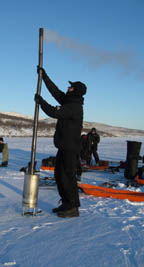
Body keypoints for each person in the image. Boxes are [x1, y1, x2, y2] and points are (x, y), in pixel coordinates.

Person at [35, 66, 87, 218]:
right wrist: (44, 76)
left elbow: (54, 112)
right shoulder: (69, 101)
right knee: (59, 176)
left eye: (71, 87)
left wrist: (41, 102)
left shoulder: (74, 107)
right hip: (64, 147)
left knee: (68, 177)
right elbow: (55, 91)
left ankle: (73, 207)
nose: (68, 87)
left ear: (75, 90)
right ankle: (66, 203)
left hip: (70, 149)